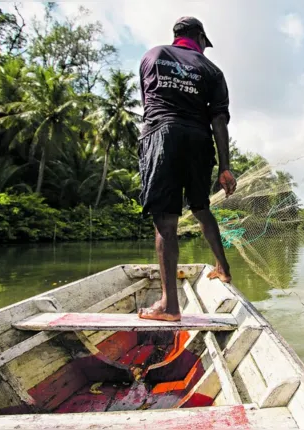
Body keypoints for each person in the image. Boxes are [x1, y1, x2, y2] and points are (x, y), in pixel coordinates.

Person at [136, 17, 236, 322]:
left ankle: (169, 306)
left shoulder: (153, 56)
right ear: (200, 38)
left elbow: (148, 104)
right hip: (198, 140)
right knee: (200, 207)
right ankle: (224, 269)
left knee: (166, 220)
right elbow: (218, 120)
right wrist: (225, 167)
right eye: (205, 43)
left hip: (163, 134)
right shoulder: (211, 70)